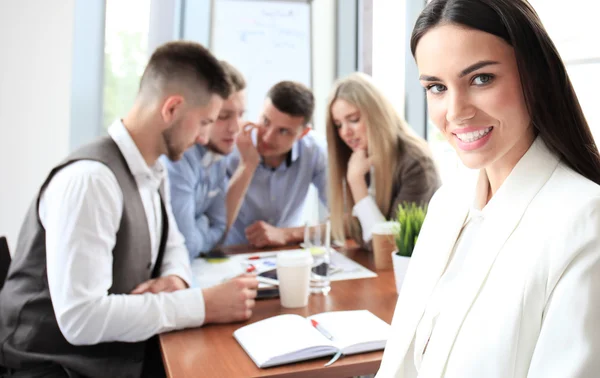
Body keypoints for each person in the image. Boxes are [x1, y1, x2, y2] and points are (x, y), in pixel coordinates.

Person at [0, 41, 258, 378]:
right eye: (205, 122)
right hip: (53, 367)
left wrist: (176, 278)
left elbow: (174, 243)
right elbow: (81, 319)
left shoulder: (155, 169)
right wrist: (203, 305)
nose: (202, 137)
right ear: (172, 109)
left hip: (119, 355)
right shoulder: (91, 181)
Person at [377, 0, 600, 377]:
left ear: (535, 76)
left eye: (481, 79)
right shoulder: (448, 204)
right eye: (436, 87)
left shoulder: (584, 220)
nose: (455, 111)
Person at [327, 72, 440, 247]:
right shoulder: (359, 157)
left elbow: (388, 247)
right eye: (339, 124)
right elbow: (356, 231)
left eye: (353, 120)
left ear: (377, 115)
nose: (345, 132)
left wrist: (356, 182)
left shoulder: (415, 163)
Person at [224, 81, 328, 247]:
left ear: (303, 133)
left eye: (283, 131)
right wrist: (247, 165)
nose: (267, 137)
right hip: (232, 253)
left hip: (286, 254)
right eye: (265, 121)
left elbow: (345, 221)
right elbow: (214, 225)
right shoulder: (229, 146)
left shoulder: (315, 151)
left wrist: (287, 234)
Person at [163, 60, 247, 259]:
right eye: (223, 116)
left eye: (241, 115)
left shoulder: (219, 155)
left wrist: (197, 227)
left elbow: (220, 230)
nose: (235, 128)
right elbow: (186, 247)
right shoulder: (178, 159)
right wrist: (203, 223)